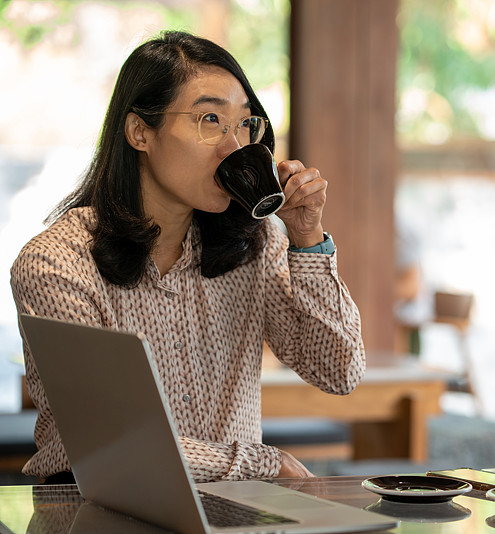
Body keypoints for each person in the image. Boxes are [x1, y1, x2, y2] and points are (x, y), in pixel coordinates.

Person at [10, 31, 365, 484]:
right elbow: (115, 445)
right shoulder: (57, 263)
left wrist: (307, 239)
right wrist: (262, 463)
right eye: (210, 119)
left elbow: (339, 371)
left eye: (244, 124)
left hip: (235, 516)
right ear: (141, 132)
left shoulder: (255, 243)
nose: (234, 147)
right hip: (97, 512)